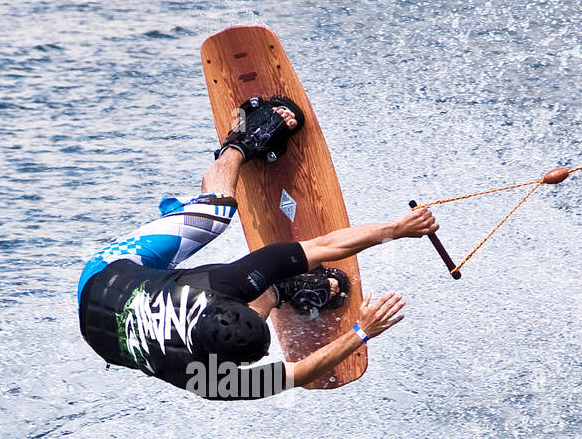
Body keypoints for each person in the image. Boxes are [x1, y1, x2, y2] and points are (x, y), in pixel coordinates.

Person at [77, 96, 438, 400]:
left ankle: (241, 141)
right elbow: (297, 372)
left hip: (108, 270)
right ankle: (281, 290)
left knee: (216, 213)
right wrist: (361, 332)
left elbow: (322, 246)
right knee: (262, 282)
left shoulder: (220, 295)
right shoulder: (209, 379)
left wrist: (397, 229)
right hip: (100, 333)